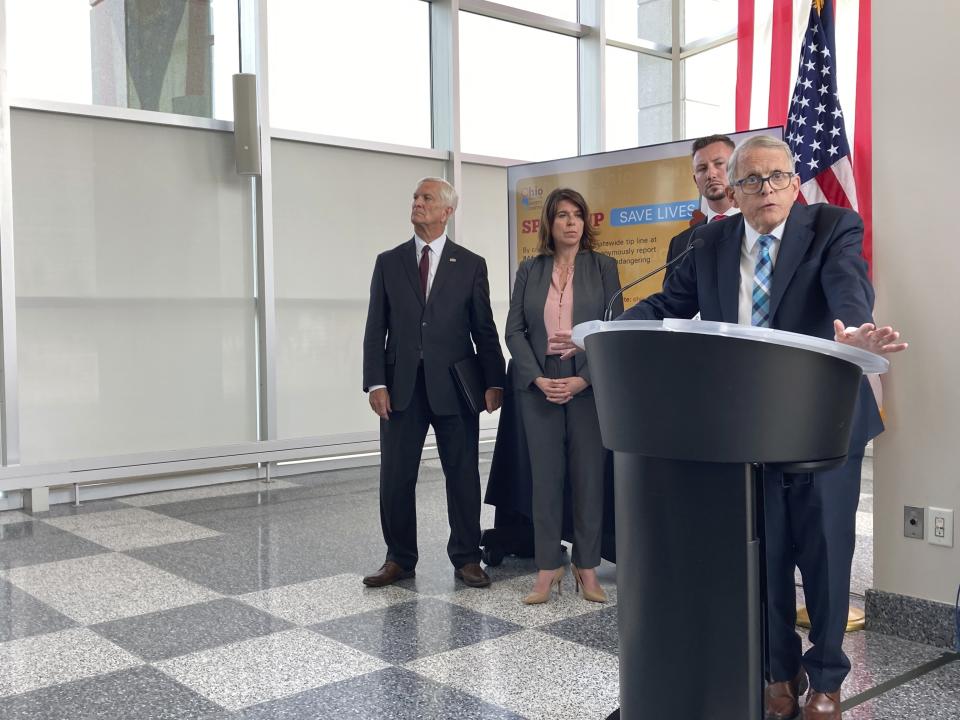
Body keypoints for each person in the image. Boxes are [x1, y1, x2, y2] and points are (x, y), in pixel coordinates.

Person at [553, 135, 906, 720]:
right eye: (751, 180)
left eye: (776, 178)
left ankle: (827, 679)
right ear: (732, 190)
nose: (765, 190)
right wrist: (603, 329)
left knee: (824, 556)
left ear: (795, 182)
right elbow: (670, 301)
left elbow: (847, 284)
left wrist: (854, 328)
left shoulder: (832, 226)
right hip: (742, 429)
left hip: (822, 426)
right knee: (759, 559)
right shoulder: (710, 241)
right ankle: (778, 670)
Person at [362, 177, 506, 589]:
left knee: (462, 474)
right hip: (400, 386)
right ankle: (399, 558)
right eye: (415, 197)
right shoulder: (388, 262)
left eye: (427, 198)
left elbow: (484, 327)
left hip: (456, 387)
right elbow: (376, 328)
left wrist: (493, 381)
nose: (417, 203)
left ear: (447, 211)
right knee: (396, 477)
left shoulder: (471, 263)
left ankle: (466, 557)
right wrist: (375, 383)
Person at [504, 188, 623, 605]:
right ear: (549, 225)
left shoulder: (604, 267)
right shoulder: (530, 269)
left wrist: (584, 379)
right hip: (540, 385)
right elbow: (514, 330)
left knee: (588, 477)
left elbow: (613, 331)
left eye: (577, 215)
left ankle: (586, 567)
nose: (571, 223)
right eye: (562, 216)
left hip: (587, 385)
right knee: (545, 480)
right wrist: (536, 378)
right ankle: (547, 566)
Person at [664, 134, 739, 283]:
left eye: (719, 164)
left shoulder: (762, 227)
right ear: (695, 181)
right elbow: (672, 301)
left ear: (737, 168)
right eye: (702, 168)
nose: (711, 174)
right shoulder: (681, 243)